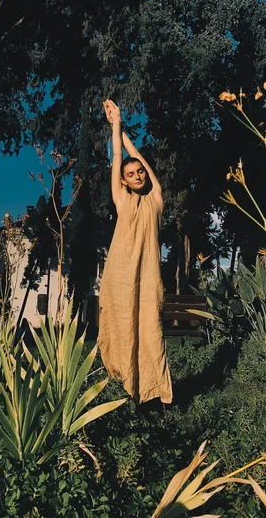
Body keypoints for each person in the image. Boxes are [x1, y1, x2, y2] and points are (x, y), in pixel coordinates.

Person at [98, 99, 172, 404]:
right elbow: (119, 156)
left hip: (148, 275)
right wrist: (115, 126)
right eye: (131, 174)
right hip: (119, 274)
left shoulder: (155, 200)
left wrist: (123, 127)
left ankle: (154, 391)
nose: (138, 175)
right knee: (121, 327)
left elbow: (135, 155)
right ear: (123, 181)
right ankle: (122, 388)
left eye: (140, 172)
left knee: (150, 329)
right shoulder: (121, 199)